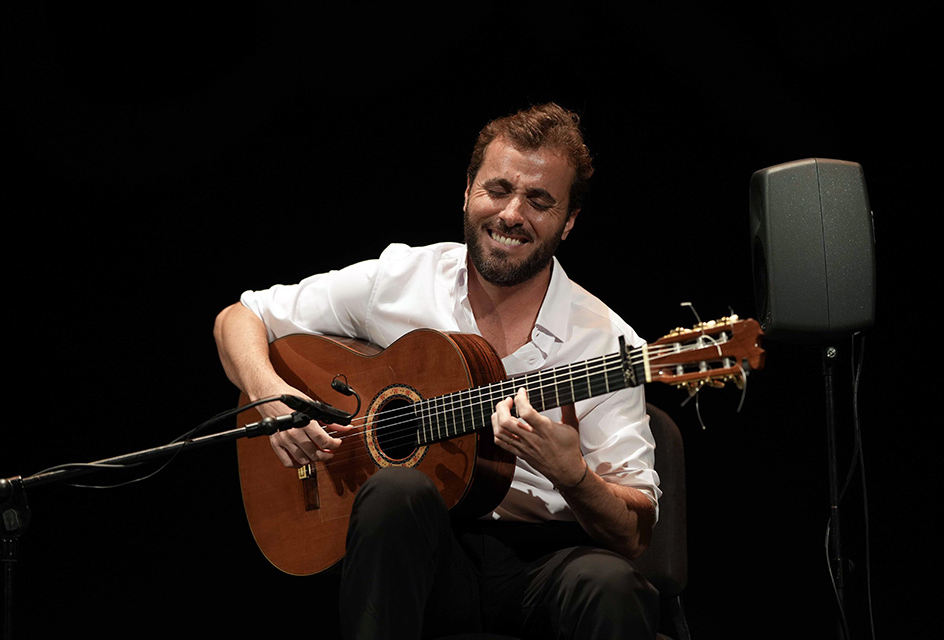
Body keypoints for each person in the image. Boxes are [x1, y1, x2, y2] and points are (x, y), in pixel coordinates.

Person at [214, 103, 662, 639]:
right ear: (467, 191)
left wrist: (575, 477)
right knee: (397, 492)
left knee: (611, 586)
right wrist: (268, 393)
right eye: (497, 190)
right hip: (420, 551)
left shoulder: (610, 344)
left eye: (539, 201)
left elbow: (635, 532)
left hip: (546, 564)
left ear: (568, 222)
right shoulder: (402, 278)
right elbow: (239, 317)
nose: (512, 214)